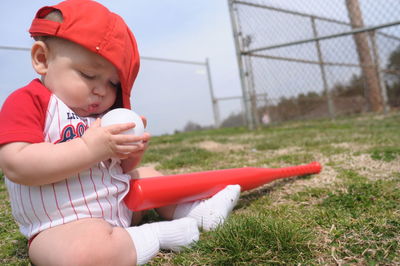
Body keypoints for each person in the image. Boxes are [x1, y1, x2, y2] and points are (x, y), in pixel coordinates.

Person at [0, 1, 241, 265]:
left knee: (148, 178)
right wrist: (89, 148)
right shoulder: (29, 101)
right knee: (76, 256)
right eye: (89, 74)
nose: (102, 90)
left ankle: (198, 212)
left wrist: (129, 154)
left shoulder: (103, 115)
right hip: (62, 224)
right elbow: (17, 165)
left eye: (113, 83)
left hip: (119, 203)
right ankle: (157, 234)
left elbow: (118, 169)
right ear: (42, 59)